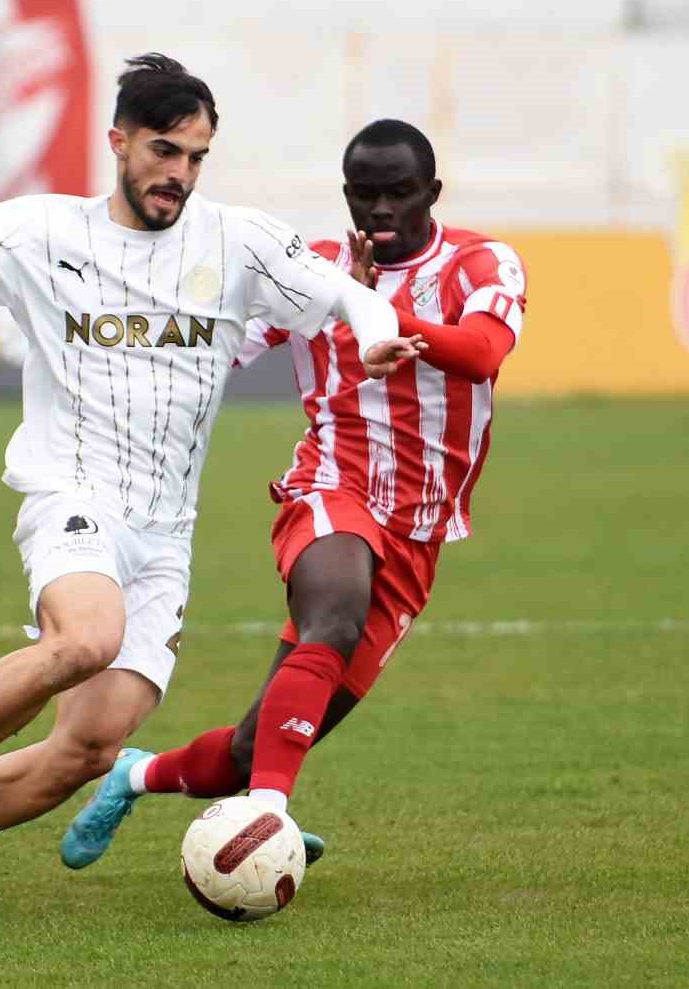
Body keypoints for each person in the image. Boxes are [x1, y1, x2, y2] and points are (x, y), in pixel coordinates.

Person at [0, 54, 423, 915]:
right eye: (165, 151)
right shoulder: (41, 233)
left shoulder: (237, 242)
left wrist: (378, 332)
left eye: (197, 157)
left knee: (88, 748)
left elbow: (349, 299)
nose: (181, 174)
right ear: (118, 142)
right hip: (72, 493)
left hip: (165, 535)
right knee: (86, 638)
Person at [57, 119, 528, 869]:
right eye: (365, 194)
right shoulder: (313, 270)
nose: (381, 209)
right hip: (330, 487)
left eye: (399, 194)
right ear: (347, 195)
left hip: (419, 533)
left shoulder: (479, 263)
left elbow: (482, 352)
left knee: (257, 744)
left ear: (431, 193)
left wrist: (376, 313)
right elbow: (221, 350)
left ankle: (135, 775)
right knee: (332, 619)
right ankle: (269, 817)